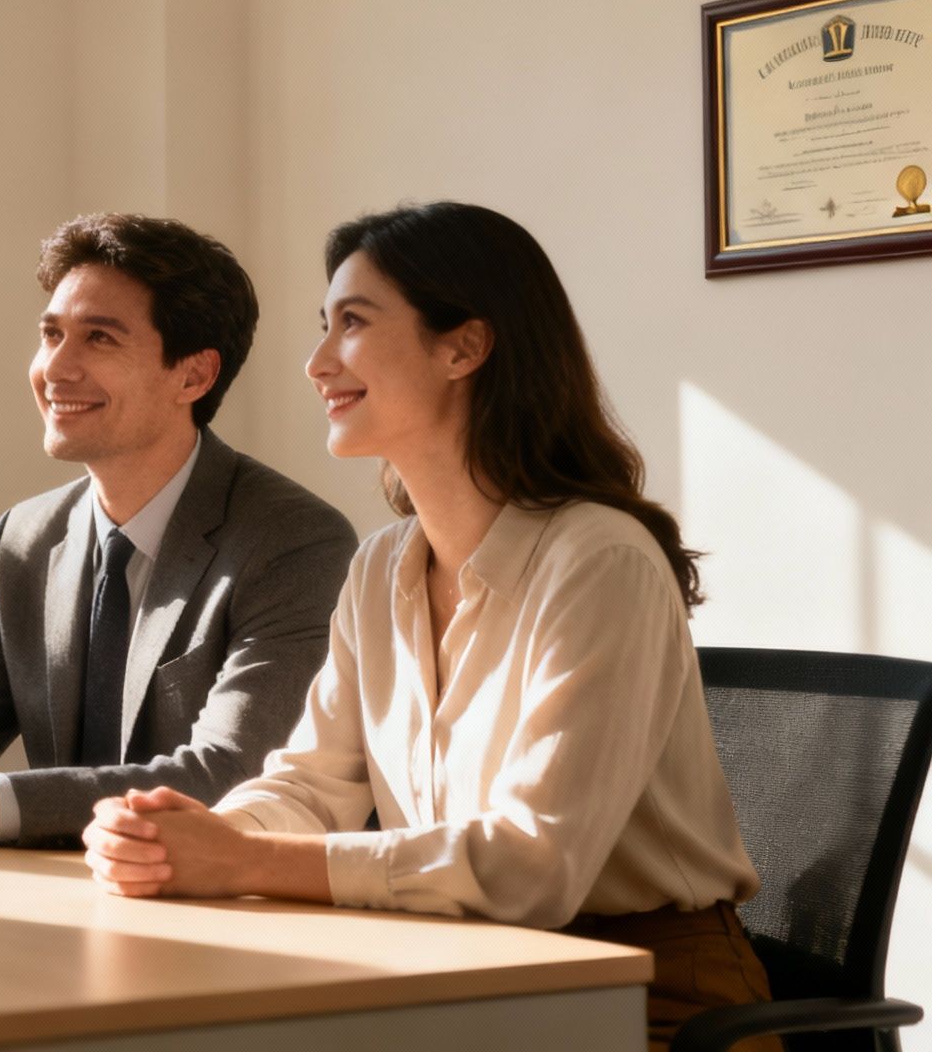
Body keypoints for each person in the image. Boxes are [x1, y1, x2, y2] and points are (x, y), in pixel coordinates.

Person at [82, 201, 777, 1050]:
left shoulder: (600, 560)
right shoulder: (382, 567)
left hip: (647, 994)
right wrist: (202, 837)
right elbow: (312, 785)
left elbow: (534, 869)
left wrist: (248, 863)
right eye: (323, 325)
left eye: (353, 323)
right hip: (459, 970)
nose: (316, 361)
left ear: (464, 347)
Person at [0, 213, 355, 846]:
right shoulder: (26, 537)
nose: (55, 369)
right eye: (51, 334)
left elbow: (234, 776)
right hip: (65, 903)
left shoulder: (296, 541)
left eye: (99, 338)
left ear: (194, 376)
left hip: (222, 918)